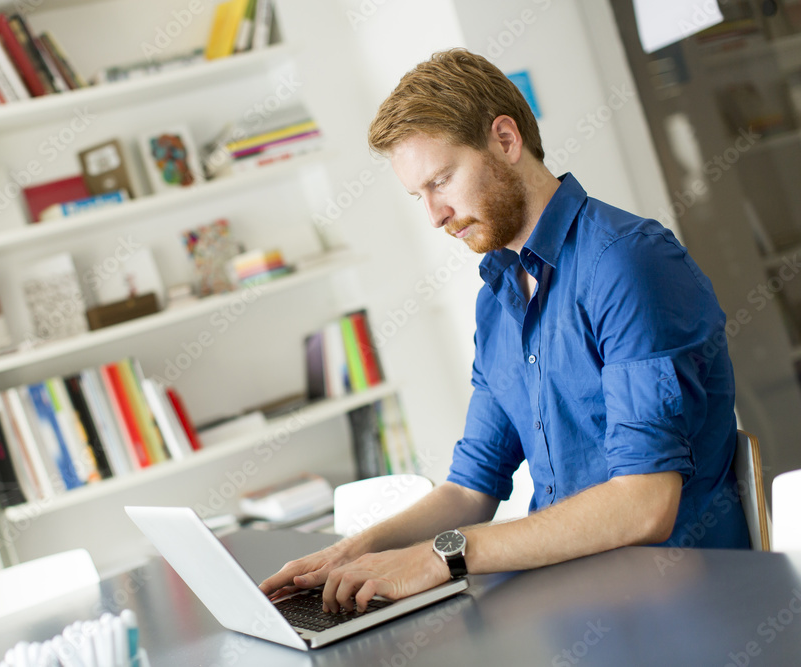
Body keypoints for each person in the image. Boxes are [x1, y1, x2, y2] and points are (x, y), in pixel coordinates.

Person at [259, 48, 750, 614]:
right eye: (419, 195)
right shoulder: (498, 299)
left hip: (686, 608)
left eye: (441, 180)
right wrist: (348, 554)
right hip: (573, 600)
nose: (435, 215)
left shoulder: (627, 263)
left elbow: (644, 505)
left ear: (506, 140)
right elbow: (471, 488)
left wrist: (441, 555)